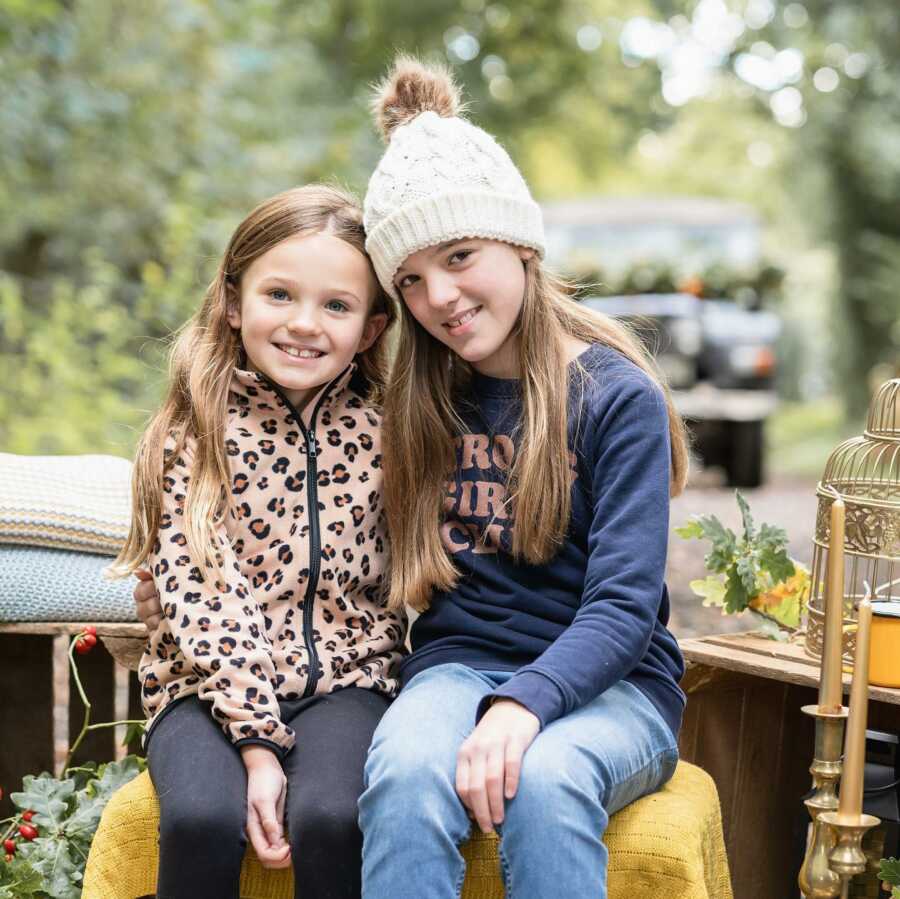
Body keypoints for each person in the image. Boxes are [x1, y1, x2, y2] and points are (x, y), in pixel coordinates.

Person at [355, 56, 691, 898]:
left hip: (615, 686)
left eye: (460, 254)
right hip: (455, 667)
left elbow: (622, 609)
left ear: (519, 240)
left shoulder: (616, 397)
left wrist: (525, 705)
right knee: (400, 774)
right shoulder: (418, 403)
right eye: (411, 280)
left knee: (547, 779)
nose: (441, 296)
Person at [115, 184, 407, 899]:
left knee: (335, 816)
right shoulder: (192, 437)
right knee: (202, 819)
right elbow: (205, 599)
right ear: (234, 301)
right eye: (280, 294)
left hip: (349, 679)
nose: (305, 323)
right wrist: (257, 744)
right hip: (203, 687)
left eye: (336, 305)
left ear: (370, 329)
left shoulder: (393, 435)